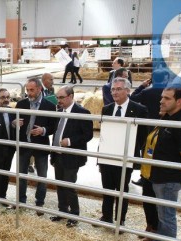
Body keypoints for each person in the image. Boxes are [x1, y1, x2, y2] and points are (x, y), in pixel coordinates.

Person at [137, 86, 181, 241]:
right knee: (161, 214)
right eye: (162, 97)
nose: (162, 100)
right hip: (158, 175)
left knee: (167, 216)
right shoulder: (168, 117)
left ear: (179, 101)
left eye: (167, 98)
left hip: (169, 178)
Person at [98, 77, 149, 226]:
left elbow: (142, 136)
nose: (114, 92)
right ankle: (106, 217)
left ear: (128, 90)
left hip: (125, 157)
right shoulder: (106, 109)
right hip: (107, 156)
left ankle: (120, 220)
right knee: (107, 188)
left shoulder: (139, 109)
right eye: (113, 89)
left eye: (118, 89)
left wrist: (131, 153)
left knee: (122, 190)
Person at [12, 78, 58, 214]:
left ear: (39, 89)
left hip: (41, 145)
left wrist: (43, 130)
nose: (29, 93)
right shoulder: (21, 104)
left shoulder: (49, 106)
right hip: (24, 144)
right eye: (27, 90)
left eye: (32, 90)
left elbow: (53, 126)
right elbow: (13, 121)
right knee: (21, 175)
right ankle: (21, 201)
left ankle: (39, 203)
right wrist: (14, 123)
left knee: (42, 176)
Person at [49, 85, 93, 227]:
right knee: (60, 185)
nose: (59, 100)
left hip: (71, 156)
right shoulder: (58, 111)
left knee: (69, 185)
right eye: (57, 97)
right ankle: (62, 211)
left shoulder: (82, 112)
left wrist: (70, 141)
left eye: (61, 97)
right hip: (57, 154)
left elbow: (88, 135)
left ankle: (74, 214)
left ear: (71, 96)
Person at [0, 88, 14, 204]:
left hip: (9, 149)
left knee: (6, 173)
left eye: (7, 97)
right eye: (2, 98)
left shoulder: (12, 111)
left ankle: (2, 196)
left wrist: (13, 125)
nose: (6, 100)